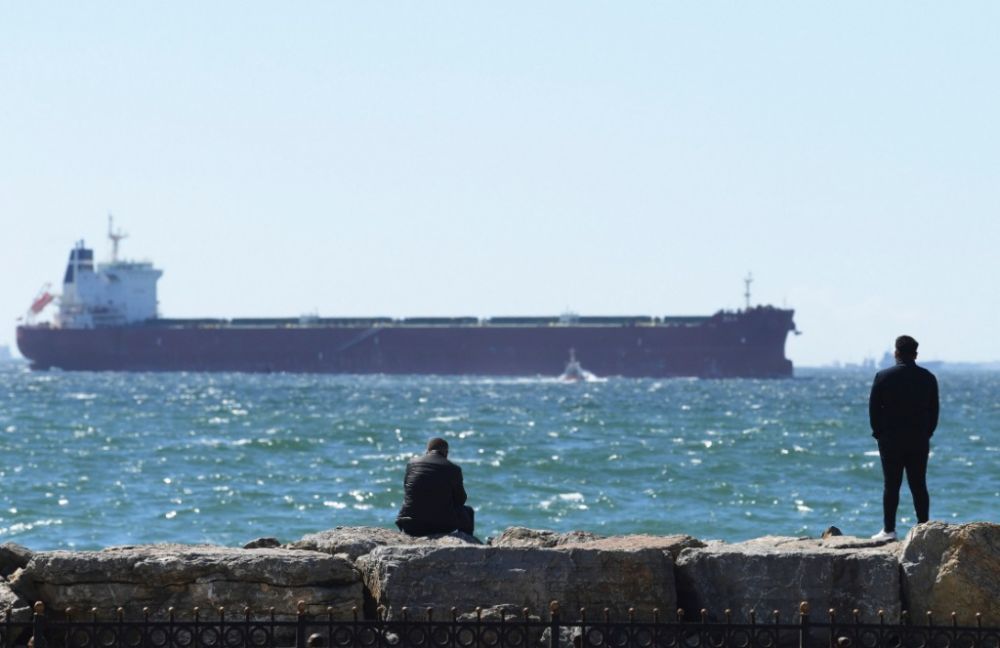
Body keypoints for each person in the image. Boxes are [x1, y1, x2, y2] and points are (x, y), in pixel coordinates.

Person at [868, 335, 939, 542]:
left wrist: (879, 434)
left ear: (896, 353)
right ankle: (923, 529)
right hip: (918, 439)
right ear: (915, 354)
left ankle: (889, 531)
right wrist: (927, 433)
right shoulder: (928, 377)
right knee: (919, 484)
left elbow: (873, 410)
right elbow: (934, 411)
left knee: (891, 485)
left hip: (890, 440)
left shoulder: (882, 376)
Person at [395, 437, 475, 536]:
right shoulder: (453, 469)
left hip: (410, 524)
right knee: (468, 511)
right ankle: (468, 545)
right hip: (438, 526)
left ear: (427, 451)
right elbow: (461, 500)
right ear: (446, 453)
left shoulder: (411, 464)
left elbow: (407, 491)